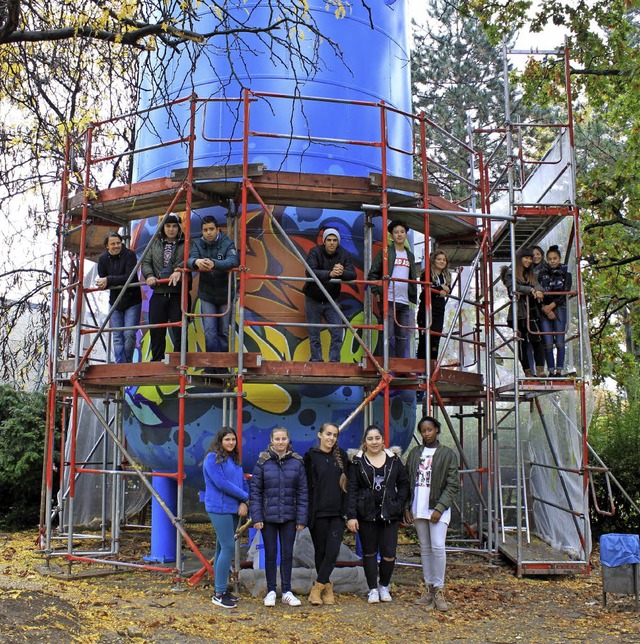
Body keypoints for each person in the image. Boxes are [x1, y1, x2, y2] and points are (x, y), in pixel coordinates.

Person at [346, 425, 409, 604]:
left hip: (390, 513)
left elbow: (404, 483)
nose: (374, 442)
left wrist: (398, 504)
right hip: (366, 513)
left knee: (389, 553)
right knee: (369, 553)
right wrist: (351, 515)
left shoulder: (394, 460)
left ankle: (384, 586)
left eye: (377, 438)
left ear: (383, 440)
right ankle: (372, 588)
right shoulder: (357, 462)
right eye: (370, 439)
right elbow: (352, 489)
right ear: (364, 442)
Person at [404, 416, 459, 612]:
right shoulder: (415, 453)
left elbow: (453, 484)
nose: (426, 433)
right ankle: (428, 589)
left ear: (437, 429)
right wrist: (406, 507)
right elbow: (407, 481)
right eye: (423, 430)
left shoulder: (447, 454)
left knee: (438, 547)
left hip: (437, 508)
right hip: (418, 506)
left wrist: (439, 508)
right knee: (425, 548)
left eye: (430, 429)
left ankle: (439, 590)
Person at [250, 427, 308, 607]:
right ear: (271, 440)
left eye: (284, 438)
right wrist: (257, 516)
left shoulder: (297, 463)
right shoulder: (263, 462)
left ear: (288, 440)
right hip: (268, 517)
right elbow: (255, 491)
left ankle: (287, 591)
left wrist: (301, 518)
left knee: (287, 554)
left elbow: (303, 492)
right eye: (277, 439)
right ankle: (271, 590)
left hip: (289, 517)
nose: (281, 442)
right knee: (270, 555)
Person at [203, 427, 250, 609]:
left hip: (233, 507)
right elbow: (221, 483)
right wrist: (245, 498)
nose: (231, 443)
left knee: (221, 548)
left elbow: (243, 482)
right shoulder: (212, 458)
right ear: (220, 441)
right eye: (227, 439)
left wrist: (245, 501)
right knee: (229, 547)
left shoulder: (234, 459)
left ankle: (220, 588)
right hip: (218, 507)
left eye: (233, 439)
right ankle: (219, 594)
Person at [303, 422, 349, 605]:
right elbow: (306, 486)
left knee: (333, 551)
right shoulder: (311, 456)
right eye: (328, 434)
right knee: (320, 552)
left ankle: (317, 587)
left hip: (337, 513)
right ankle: (327, 587)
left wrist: (348, 511)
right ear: (320, 435)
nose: (331, 438)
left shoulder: (342, 457)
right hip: (318, 512)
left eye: (335, 435)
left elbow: (349, 486)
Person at [186, 216, 239, 356]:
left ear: (217, 230)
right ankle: (211, 367)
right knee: (209, 331)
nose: (208, 232)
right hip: (207, 294)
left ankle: (222, 368)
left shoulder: (227, 243)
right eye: (205, 230)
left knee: (223, 332)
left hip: (225, 294)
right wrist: (196, 261)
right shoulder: (198, 244)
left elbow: (234, 261)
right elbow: (189, 260)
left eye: (211, 229)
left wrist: (214, 264)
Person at [302, 228, 356, 362]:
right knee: (314, 333)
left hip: (332, 299)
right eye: (329, 240)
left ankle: (334, 362)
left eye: (335, 240)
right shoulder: (315, 251)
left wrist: (341, 272)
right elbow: (310, 271)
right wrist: (330, 274)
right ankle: (316, 361)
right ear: (324, 241)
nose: (332, 243)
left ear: (338, 242)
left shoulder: (344, 254)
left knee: (337, 332)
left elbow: (352, 274)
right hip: (313, 298)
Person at [368, 220, 418, 358]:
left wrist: (413, 295)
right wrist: (377, 292)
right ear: (391, 235)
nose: (399, 235)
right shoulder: (385, 252)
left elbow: (412, 276)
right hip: (388, 298)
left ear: (406, 234)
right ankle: (385, 364)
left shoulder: (410, 255)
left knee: (402, 335)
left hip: (404, 300)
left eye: (402, 232)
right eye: (396, 232)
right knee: (387, 333)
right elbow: (372, 274)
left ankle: (400, 365)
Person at [141, 214, 187, 362]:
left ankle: (179, 360)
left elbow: (189, 259)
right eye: (168, 226)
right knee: (156, 330)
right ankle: (157, 360)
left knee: (179, 330)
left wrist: (179, 269)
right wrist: (148, 275)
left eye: (174, 226)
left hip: (177, 293)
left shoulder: (186, 243)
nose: (171, 229)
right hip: (159, 292)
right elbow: (146, 262)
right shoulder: (154, 244)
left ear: (179, 227)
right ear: (163, 227)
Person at [96, 232, 142, 363]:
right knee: (117, 336)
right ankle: (119, 363)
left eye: (118, 243)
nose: (116, 246)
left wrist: (109, 280)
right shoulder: (103, 258)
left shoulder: (130, 255)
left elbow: (129, 277)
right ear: (107, 246)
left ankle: (127, 363)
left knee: (129, 334)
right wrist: (103, 282)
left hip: (132, 300)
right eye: (113, 244)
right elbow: (102, 279)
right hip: (115, 301)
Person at [500, 246, 545, 377]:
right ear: (519, 259)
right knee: (522, 341)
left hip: (531, 311)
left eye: (530, 258)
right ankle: (528, 371)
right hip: (518, 312)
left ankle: (540, 370)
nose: (529, 261)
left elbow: (537, 283)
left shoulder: (529, 273)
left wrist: (538, 290)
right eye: (526, 258)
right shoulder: (510, 272)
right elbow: (513, 287)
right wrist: (530, 290)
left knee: (538, 340)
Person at [538, 245, 572, 377]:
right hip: (545, 308)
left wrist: (551, 306)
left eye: (555, 258)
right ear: (547, 260)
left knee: (559, 340)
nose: (552, 261)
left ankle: (559, 370)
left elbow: (565, 292)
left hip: (559, 306)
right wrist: (546, 308)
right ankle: (550, 370)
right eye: (550, 259)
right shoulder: (542, 274)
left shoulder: (566, 274)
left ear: (559, 259)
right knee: (547, 341)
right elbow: (539, 290)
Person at [417, 250, 452, 361]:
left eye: (444, 260)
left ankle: (432, 364)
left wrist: (444, 290)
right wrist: (440, 288)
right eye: (439, 259)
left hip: (439, 310)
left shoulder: (446, 275)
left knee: (435, 338)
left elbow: (448, 289)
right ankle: (422, 365)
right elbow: (424, 292)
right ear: (434, 261)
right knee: (424, 338)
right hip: (426, 309)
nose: (442, 262)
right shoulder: (426, 273)